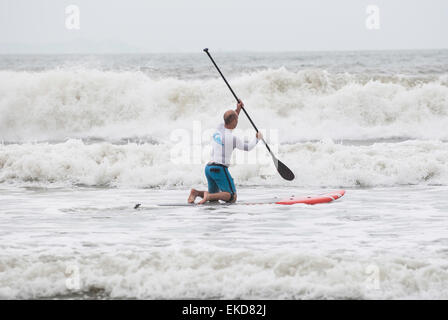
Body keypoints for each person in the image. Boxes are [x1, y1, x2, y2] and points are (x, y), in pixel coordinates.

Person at [188, 100, 262, 204]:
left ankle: (196, 193)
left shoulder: (219, 128)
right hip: (219, 169)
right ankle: (207, 196)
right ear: (234, 122)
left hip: (208, 168)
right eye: (236, 120)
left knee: (215, 198)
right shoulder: (232, 138)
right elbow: (248, 147)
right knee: (232, 197)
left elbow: (231, 118)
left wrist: (238, 110)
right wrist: (257, 139)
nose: (237, 121)